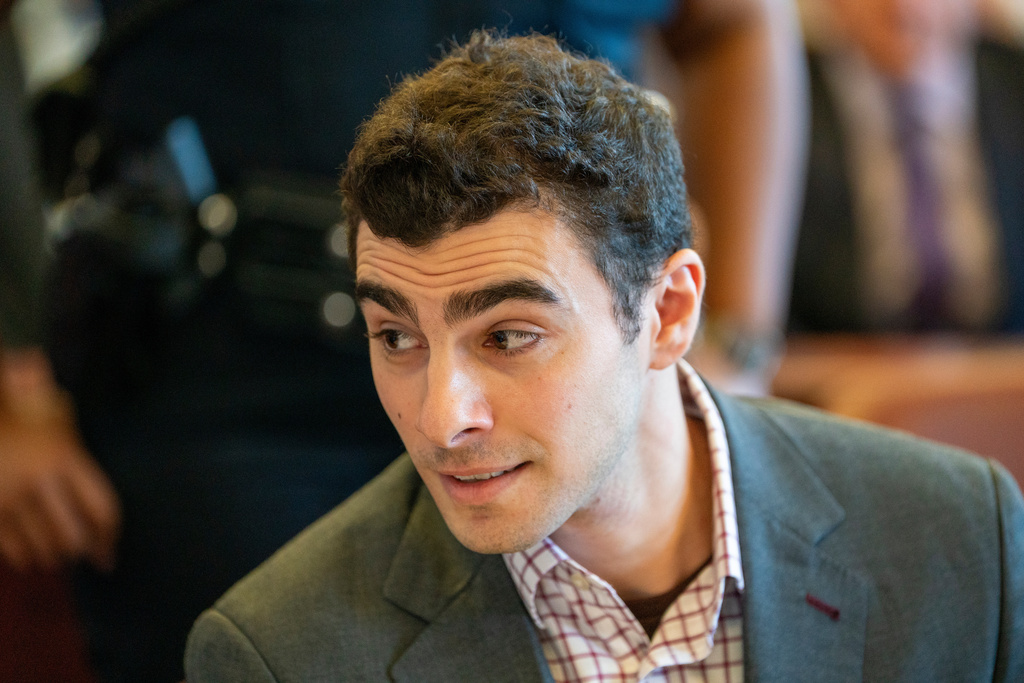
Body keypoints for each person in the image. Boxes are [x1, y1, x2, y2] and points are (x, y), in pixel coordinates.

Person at [0, 0, 806, 680]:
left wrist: (737, 334)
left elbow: (735, 24)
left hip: (572, 373)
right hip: (230, 390)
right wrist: (12, 371)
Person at [185, 31, 1024, 682]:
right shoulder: (280, 653)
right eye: (396, 337)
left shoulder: (961, 539)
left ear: (668, 311)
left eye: (509, 336)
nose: (443, 418)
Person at [790, 0, 1024, 333]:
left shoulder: (1014, 84)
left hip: (1000, 368)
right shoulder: (784, 95)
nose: (903, 7)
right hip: (842, 366)